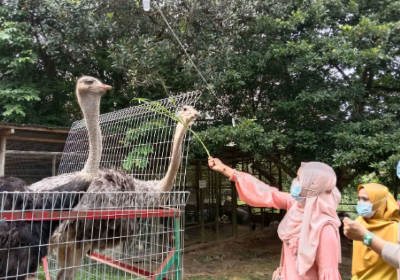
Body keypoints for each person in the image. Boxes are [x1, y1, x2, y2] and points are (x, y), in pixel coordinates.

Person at [208, 157, 342, 280]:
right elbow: (265, 192)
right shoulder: (295, 205)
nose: (294, 182)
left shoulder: (325, 229)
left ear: (312, 186)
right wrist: (224, 169)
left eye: (299, 178)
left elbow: (329, 275)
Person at [343, 183, 400, 279]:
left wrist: (365, 236)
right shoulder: (358, 223)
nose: (360, 202)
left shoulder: (395, 229)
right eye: (359, 198)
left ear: (380, 202)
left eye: (365, 199)